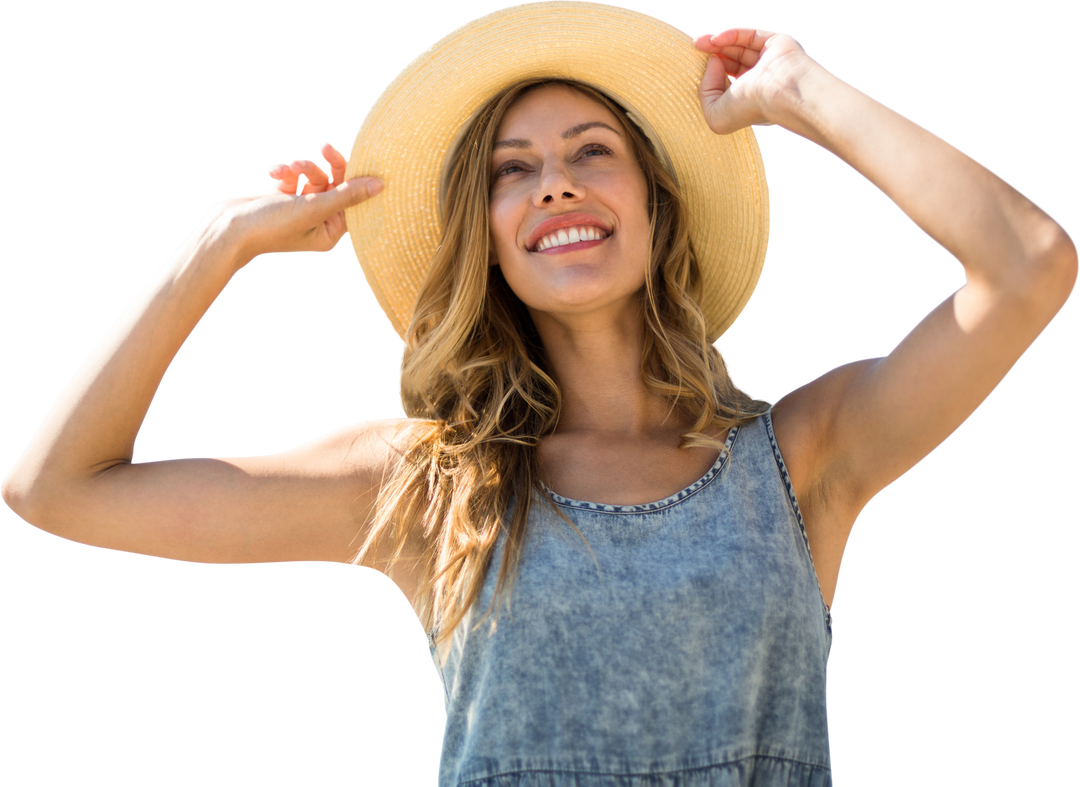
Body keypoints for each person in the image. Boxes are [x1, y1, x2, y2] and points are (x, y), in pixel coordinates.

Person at [2, 3, 1075, 786]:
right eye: (514, 169)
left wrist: (803, 95)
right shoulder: (427, 483)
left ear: (657, 207)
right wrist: (219, 242)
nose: (556, 182)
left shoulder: (805, 456)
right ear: (492, 241)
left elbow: (1031, 263)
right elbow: (58, 488)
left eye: (591, 151)